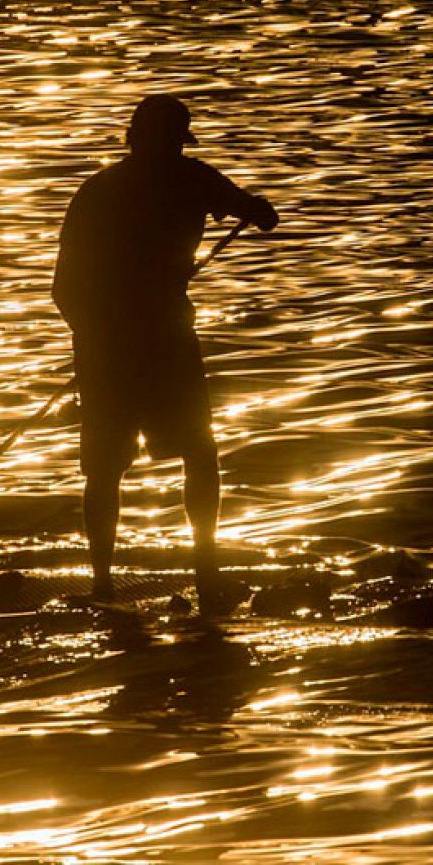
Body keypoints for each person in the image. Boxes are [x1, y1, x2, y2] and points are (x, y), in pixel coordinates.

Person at [52, 94, 279, 615]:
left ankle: (121, 583)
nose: (172, 150)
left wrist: (95, 341)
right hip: (145, 342)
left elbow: (254, 212)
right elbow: (258, 213)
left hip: (123, 343)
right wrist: (101, 337)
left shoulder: (116, 187)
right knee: (188, 456)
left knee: (131, 464)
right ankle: (187, 578)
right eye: (171, 141)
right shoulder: (179, 179)